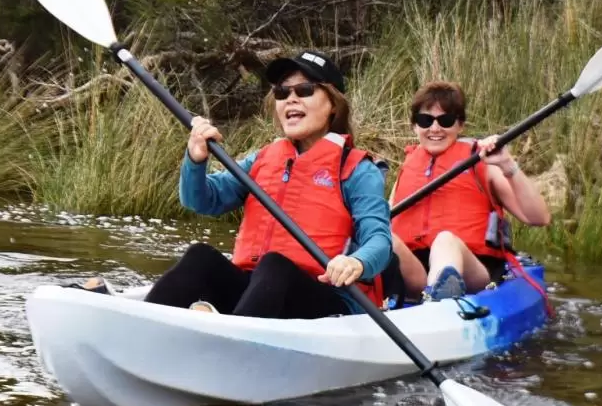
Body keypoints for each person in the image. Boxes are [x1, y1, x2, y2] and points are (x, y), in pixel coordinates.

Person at [141, 50, 392, 318]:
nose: (291, 99)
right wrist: (195, 159)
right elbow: (201, 200)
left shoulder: (357, 170)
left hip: (326, 298)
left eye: (305, 90)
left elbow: (379, 240)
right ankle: (138, 325)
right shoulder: (262, 159)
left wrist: (356, 261)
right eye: (283, 93)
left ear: (333, 104)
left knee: (275, 265)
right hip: (261, 290)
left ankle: (230, 338)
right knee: (200, 257)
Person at [389, 81, 551, 301]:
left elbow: (539, 217)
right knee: (382, 236)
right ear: (414, 126)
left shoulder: (484, 163)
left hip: (472, 269)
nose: (435, 129)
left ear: (460, 125)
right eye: (425, 120)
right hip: (416, 272)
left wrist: (507, 164)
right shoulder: (408, 166)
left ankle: (441, 299)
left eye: (445, 121)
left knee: (445, 240)